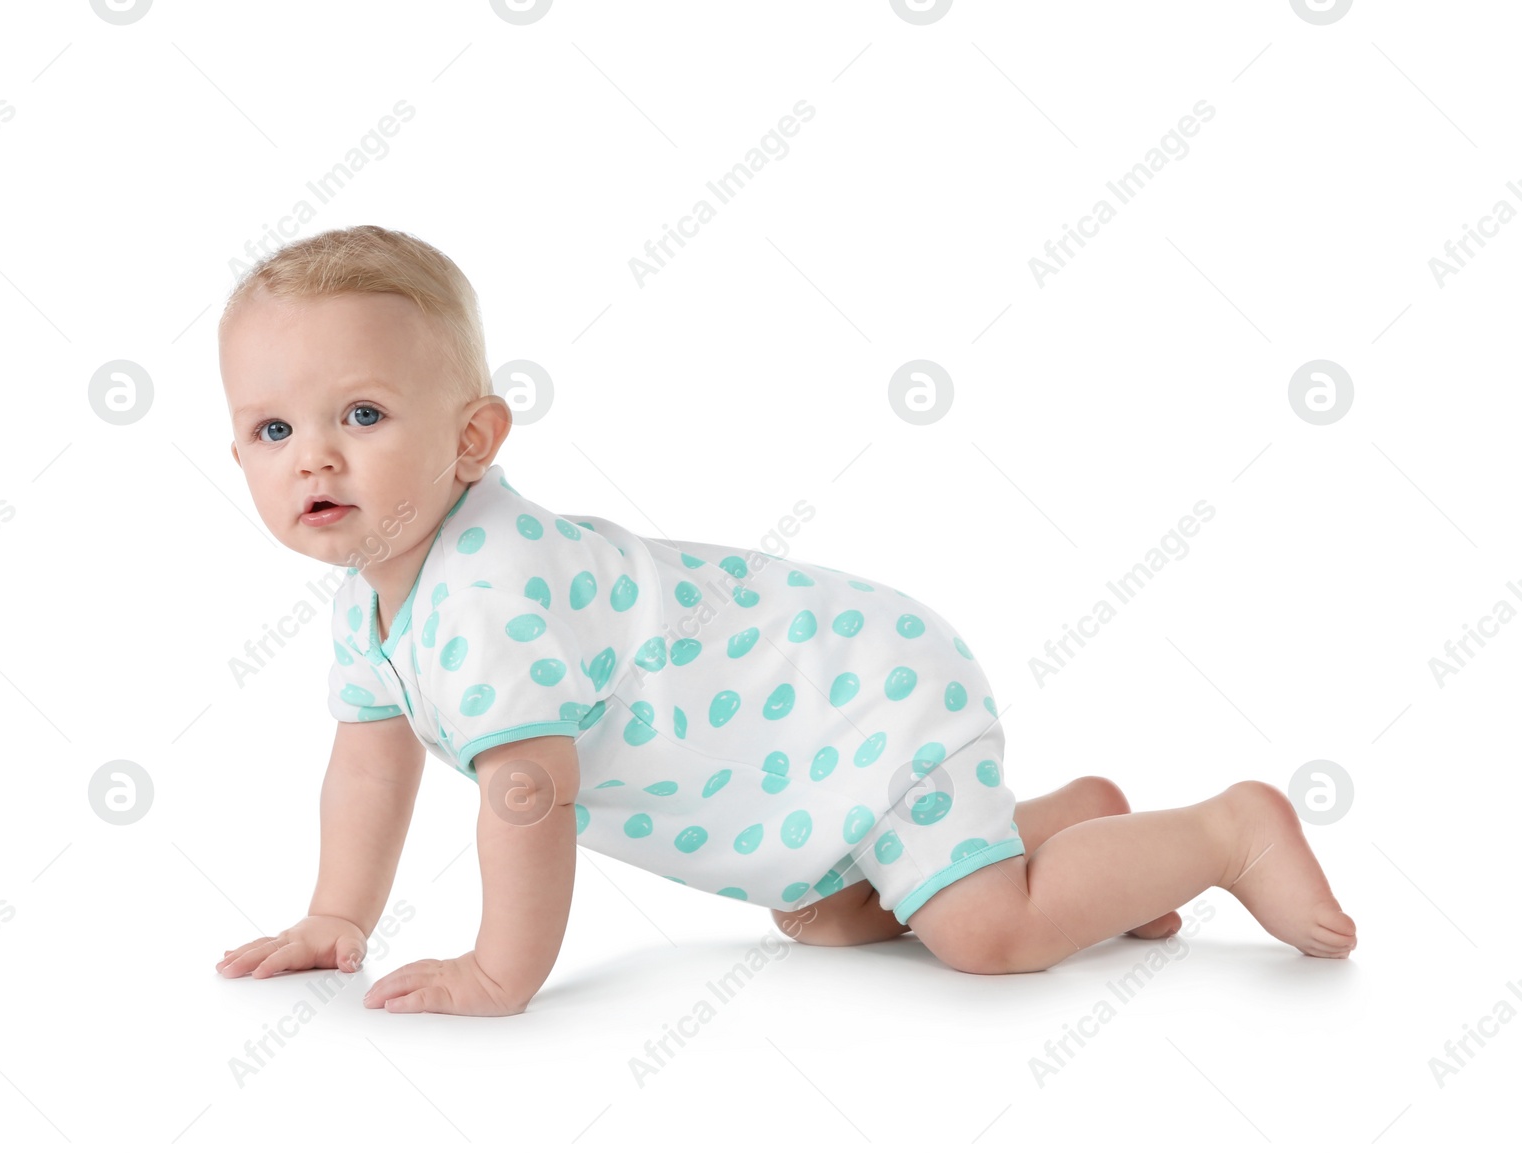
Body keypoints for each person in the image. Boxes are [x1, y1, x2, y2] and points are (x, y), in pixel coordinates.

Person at [214, 225, 1356, 1016]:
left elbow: (530, 796)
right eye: (272, 429)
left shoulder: (492, 592)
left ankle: (1222, 832)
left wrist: (499, 972)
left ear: (472, 441)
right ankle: (1066, 831)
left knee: (985, 938)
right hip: (805, 755)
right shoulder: (374, 604)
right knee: (832, 920)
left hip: (863, 695)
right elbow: (369, 767)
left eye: (360, 413)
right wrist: (334, 913)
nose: (312, 453)